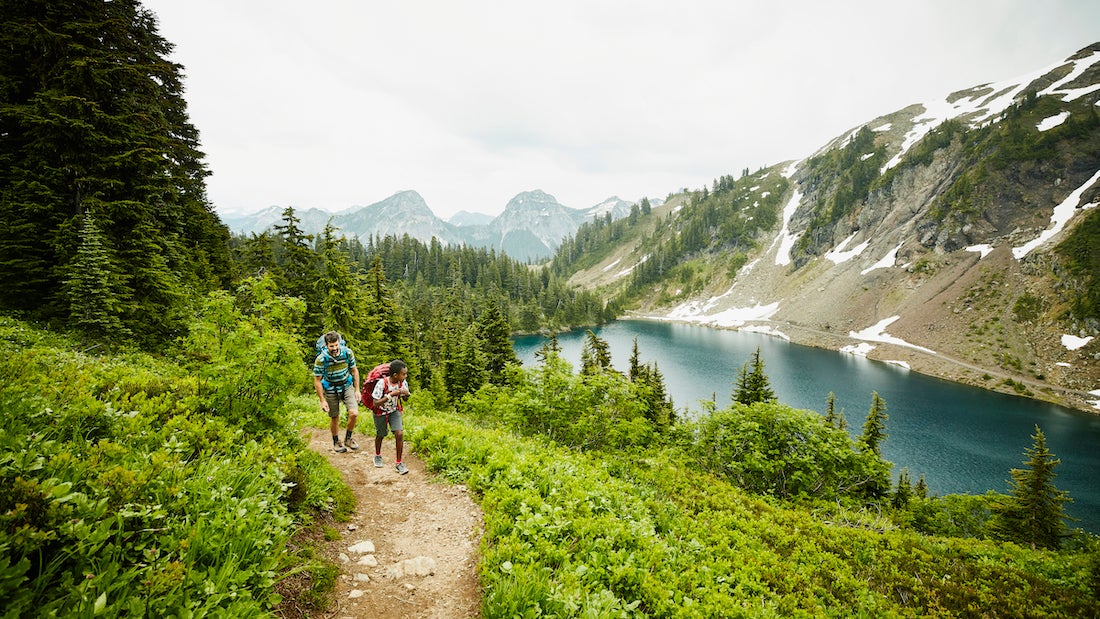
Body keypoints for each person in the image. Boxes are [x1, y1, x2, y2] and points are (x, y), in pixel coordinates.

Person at [313, 331, 361, 453]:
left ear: (339, 343)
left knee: (354, 413)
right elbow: (317, 380)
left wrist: (357, 390)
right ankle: (336, 442)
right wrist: (322, 400)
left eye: (336, 345)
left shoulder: (347, 353)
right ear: (326, 345)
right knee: (335, 417)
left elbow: (354, 371)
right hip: (330, 388)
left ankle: (348, 439)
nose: (334, 348)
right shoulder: (321, 359)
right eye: (331, 346)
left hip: (346, 385)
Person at [371, 359, 410, 474]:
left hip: (394, 410)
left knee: (399, 433)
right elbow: (375, 403)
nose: (405, 376)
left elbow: (405, 398)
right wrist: (391, 395)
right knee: (381, 434)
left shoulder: (403, 383)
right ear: (395, 375)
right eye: (403, 374)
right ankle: (377, 455)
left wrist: (405, 394)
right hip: (380, 411)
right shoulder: (382, 383)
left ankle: (399, 462)